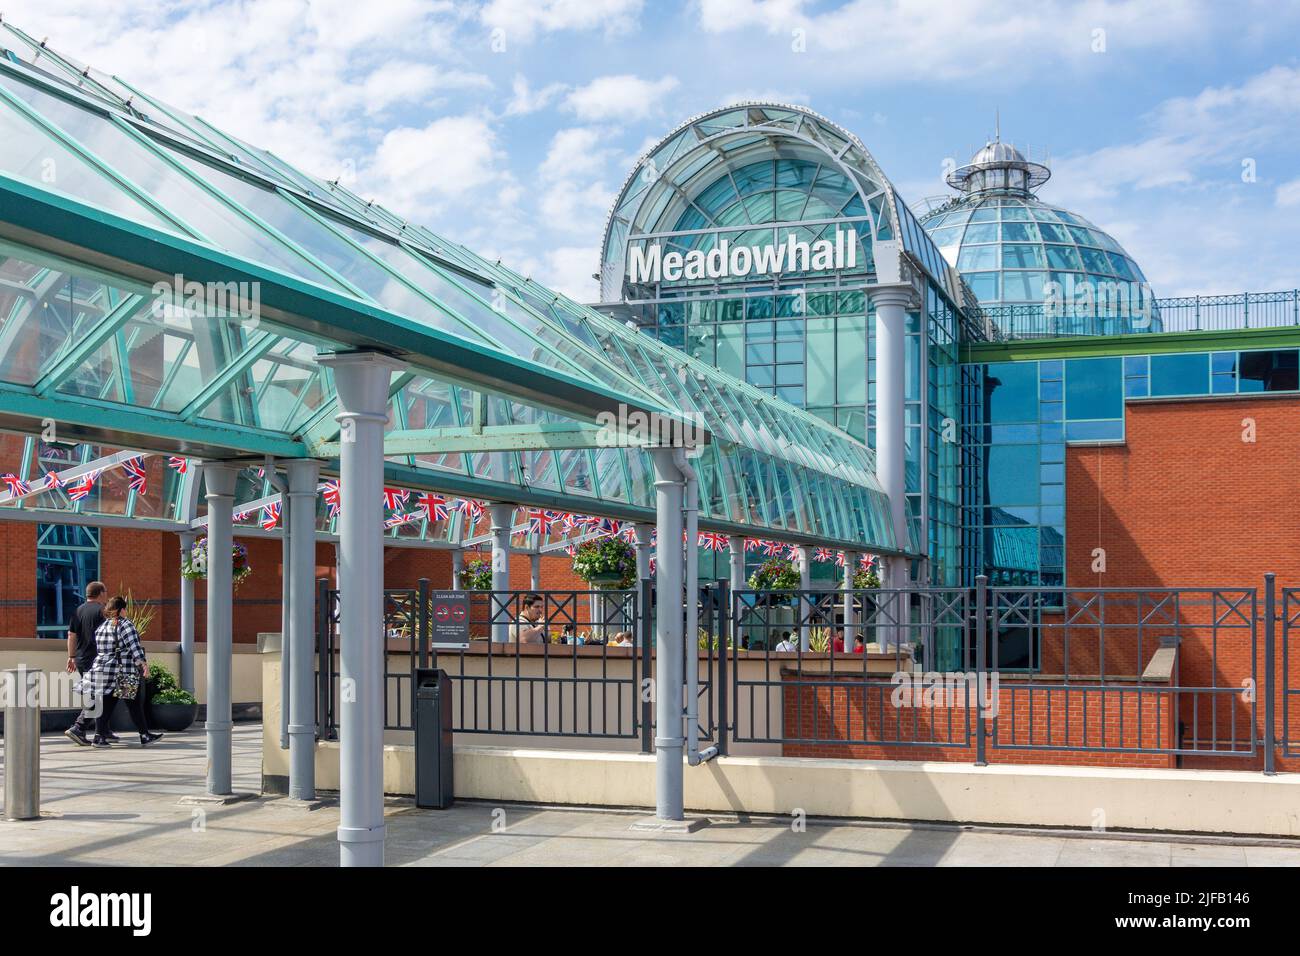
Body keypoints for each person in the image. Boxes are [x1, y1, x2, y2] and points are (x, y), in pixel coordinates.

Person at [78, 596, 164, 748]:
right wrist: (143, 664)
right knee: (134, 704)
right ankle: (144, 735)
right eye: (124, 609)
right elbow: (134, 646)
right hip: (123, 671)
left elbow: (101, 648)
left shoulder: (103, 626)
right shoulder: (126, 625)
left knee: (106, 702)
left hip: (104, 669)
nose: (125, 612)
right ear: (121, 609)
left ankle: (99, 736)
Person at [64, 581, 108, 747]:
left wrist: (71, 656)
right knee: (98, 695)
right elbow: (108, 635)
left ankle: (104, 730)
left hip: (81, 659)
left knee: (97, 694)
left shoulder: (78, 610)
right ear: (101, 593)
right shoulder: (102, 611)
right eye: (106, 592)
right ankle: (78, 727)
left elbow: (71, 635)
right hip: (97, 659)